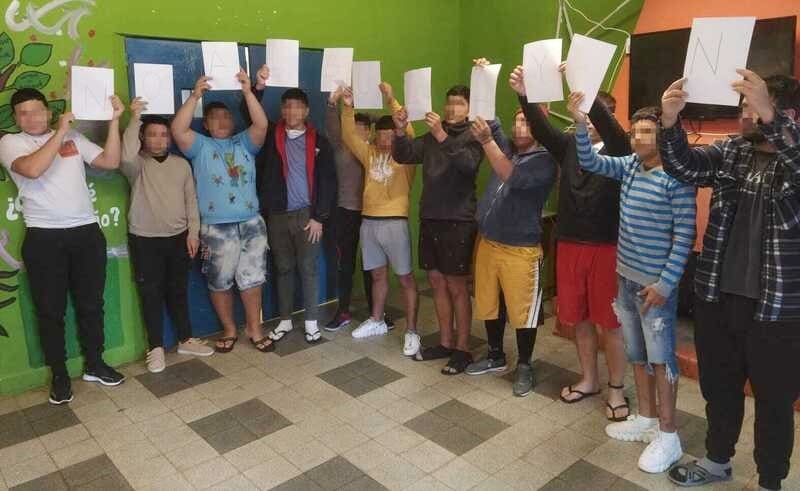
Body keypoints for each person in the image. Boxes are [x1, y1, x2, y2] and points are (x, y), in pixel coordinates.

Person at [660, 71, 800, 491]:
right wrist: (670, 121)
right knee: (719, 390)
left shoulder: (794, 157)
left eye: (751, 108)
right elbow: (683, 167)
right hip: (717, 298)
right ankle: (717, 460)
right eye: (743, 108)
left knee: (774, 402)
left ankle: (770, 481)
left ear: (784, 114)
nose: (744, 116)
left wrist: (770, 115)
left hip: (778, 310)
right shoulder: (731, 150)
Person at [568, 93, 696, 474]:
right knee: (637, 355)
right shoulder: (628, 165)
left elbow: (685, 237)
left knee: (661, 361)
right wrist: (579, 123)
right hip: (625, 280)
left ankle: (669, 435)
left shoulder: (677, 178)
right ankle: (646, 418)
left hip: (655, 290)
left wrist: (665, 285)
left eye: (647, 133)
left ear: (662, 136)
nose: (638, 139)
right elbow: (590, 160)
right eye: (635, 131)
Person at [509, 66, 631, 420]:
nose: (590, 119)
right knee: (578, 318)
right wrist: (524, 94)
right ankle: (589, 379)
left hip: (606, 246)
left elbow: (609, 126)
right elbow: (541, 128)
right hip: (569, 242)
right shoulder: (569, 146)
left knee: (610, 323)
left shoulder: (621, 149)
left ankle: (616, 388)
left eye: (596, 112)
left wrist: (583, 89)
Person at [0, 88, 127, 404]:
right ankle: (59, 375)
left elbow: (111, 161)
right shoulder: (11, 142)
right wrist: (59, 132)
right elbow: (33, 169)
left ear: (48, 111)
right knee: (50, 311)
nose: (32, 118)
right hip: (44, 238)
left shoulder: (73, 138)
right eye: (24, 113)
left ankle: (95, 364)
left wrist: (114, 121)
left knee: (91, 304)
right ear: (16, 118)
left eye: (37, 110)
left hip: (86, 233)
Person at [392, 58, 504, 375]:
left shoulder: (474, 134)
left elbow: (467, 166)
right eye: (450, 102)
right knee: (436, 281)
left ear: (469, 109)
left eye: (460, 103)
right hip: (431, 217)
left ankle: (463, 349)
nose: (453, 108)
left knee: (457, 285)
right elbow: (403, 154)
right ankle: (444, 341)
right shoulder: (431, 136)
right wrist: (400, 130)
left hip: (459, 220)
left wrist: (442, 134)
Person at [171, 67, 270, 353]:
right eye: (214, 117)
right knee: (219, 281)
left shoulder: (244, 142)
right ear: (206, 124)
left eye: (226, 116)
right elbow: (177, 130)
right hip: (216, 227)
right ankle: (229, 329)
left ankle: (254, 328)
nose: (222, 121)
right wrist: (195, 96)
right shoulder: (199, 146)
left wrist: (248, 91)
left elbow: (261, 124)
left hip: (251, 224)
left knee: (253, 280)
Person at [464, 109, 556, 397]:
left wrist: (486, 141)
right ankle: (495, 355)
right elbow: (491, 122)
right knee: (489, 302)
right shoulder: (509, 149)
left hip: (521, 249)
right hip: (489, 242)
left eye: (526, 122)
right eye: (516, 121)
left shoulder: (545, 161)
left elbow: (511, 176)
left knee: (523, 312)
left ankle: (525, 365)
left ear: (539, 126)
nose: (519, 127)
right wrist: (483, 90)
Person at [122, 97, 213, 373]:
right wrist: (135, 118)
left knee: (178, 290)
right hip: (145, 239)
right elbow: (125, 155)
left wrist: (193, 233)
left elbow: (191, 201)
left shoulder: (181, 165)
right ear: (143, 138)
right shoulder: (136, 165)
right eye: (152, 134)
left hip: (179, 238)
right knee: (150, 294)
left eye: (163, 134)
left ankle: (185, 339)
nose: (159, 139)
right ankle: (156, 347)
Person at [338, 83, 421, 356]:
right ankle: (377, 320)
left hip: (395, 222)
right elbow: (349, 135)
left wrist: (391, 99)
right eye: (381, 135)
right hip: (369, 222)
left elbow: (409, 131)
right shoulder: (370, 153)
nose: (385, 140)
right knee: (377, 275)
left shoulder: (405, 157)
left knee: (405, 278)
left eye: (390, 135)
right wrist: (348, 106)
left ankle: (412, 331)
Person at [258, 85, 336, 344]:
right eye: (287, 106)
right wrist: (256, 89)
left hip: (307, 216)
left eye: (298, 107)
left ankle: (311, 322)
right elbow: (251, 114)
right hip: (278, 215)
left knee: (309, 268)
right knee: (283, 268)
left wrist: (319, 217)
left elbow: (328, 181)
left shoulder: (319, 141)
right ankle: (285, 320)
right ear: (282, 110)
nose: (292, 111)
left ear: (306, 111)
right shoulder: (271, 136)